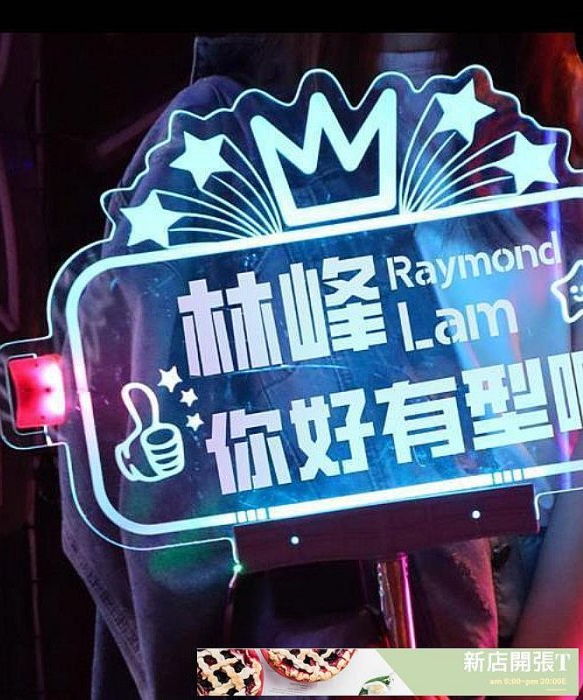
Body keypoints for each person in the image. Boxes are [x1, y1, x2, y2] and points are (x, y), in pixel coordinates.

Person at [58, 33, 583, 699]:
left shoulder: (553, 114)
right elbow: (153, 517)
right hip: (323, 661)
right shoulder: (223, 139)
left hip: (520, 641)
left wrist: (530, 679)